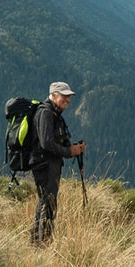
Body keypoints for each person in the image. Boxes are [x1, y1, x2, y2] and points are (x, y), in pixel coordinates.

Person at [30, 81, 86, 245]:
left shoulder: (53, 113)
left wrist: (72, 148)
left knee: (45, 203)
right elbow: (46, 143)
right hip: (44, 166)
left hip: (48, 165)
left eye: (69, 97)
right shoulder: (46, 113)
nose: (67, 100)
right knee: (48, 204)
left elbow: (53, 141)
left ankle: (35, 243)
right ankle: (43, 244)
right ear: (53, 95)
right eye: (64, 96)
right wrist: (69, 152)